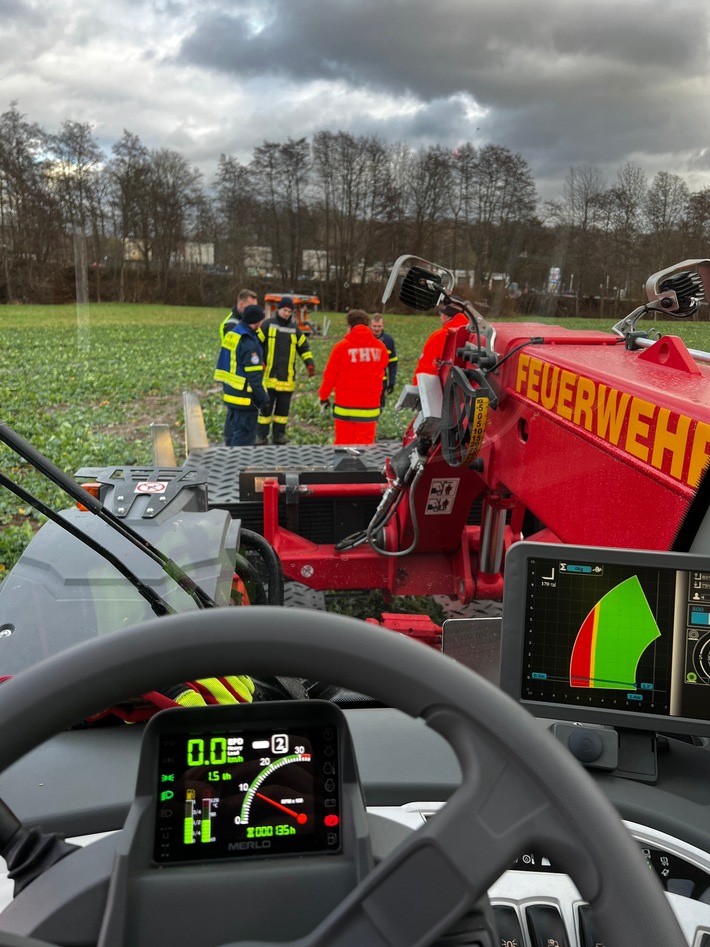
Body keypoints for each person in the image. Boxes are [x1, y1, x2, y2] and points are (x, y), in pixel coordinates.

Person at [318, 309, 389, 445]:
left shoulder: (341, 348)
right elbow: (383, 368)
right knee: (364, 449)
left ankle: (345, 466)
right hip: (369, 409)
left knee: (343, 447)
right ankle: (360, 466)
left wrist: (323, 396)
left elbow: (330, 376)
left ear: (349, 327)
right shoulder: (380, 348)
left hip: (345, 409)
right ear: (367, 325)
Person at [256, 296, 315, 445]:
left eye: (290, 311)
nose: (287, 313)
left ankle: (279, 436)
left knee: (282, 412)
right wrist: (259, 361)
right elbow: (256, 344)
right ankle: (261, 436)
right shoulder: (267, 325)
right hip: (269, 377)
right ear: (279, 309)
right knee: (265, 410)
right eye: (285, 310)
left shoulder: (295, 330)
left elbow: (304, 348)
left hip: (287, 378)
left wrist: (309, 363)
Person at [214, 304, 269, 446]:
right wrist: (264, 399)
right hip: (245, 399)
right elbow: (254, 377)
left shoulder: (234, 333)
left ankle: (228, 462)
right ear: (257, 322)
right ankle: (238, 466)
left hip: (231, 393)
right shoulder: (249, 342)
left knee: (231, 433)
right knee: (244, 438)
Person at [412, 304, 470, 382]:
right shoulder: (474, 334)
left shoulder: (439, 335)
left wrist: (418, 388)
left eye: (441, 313)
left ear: (448, 316)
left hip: (444, 388)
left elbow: (426, 368)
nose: (440, 316)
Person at [370, 315, 398, 406]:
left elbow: (392, 364)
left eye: (379, 326)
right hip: (366, 381)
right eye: (374, 326)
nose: (376, 329)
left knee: (380, 406)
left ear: (383, 326)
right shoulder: (365, 339)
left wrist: (392, 382)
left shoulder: (389, 341)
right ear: (370, 326)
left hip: (381, 381)